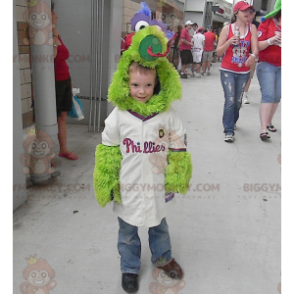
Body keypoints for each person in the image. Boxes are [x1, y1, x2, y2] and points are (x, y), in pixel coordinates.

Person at [93, 25, 193, 293]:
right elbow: (108, 149)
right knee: (127, 232)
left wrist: (178, 172)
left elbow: (179, 145)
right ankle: (129, 267)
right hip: (128, 186)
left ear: (157, 83)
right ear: (126, 83)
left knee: (159, 225)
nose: (141, 90)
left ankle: (162, 258)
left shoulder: (167, 115)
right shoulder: (118, 116)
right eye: (135, 85)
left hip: (158, 184)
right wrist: (107, 178)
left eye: (148, 85)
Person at [216, 0, 259, 143]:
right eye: (244, 11)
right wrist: (229, 42)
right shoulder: (227, 29)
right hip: (227, 69)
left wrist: (252, 56)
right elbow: (218, 52)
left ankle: (232, 120)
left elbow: (255, 48)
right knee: (230, 99)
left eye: (249, 11)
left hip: (243, 71)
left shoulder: (252, 28)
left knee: (238, 101)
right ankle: (228, 130)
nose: (248, 13)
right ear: (236, 13)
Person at [51, 2, 78, 160]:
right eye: (54, 13)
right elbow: (53, 55)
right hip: (52, 83)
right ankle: (45, 155)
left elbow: (63, 57)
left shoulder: (55, 33)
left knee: (62, 116)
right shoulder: (44, 34)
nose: (57, 16)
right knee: (48, 118)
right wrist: (53, 33)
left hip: (64, 79)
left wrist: (70, 79)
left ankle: (63, 149)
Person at [256, 0, 282, 141]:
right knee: (269, 95)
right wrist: (272, 40)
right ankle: (263, 128)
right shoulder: (267, 22)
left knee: (277, 96)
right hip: (266, 64)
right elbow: (258, 45)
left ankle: (269, 122)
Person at [242, 7, 261, 105]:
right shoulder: (240, 23)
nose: (249, 15)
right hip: (240, 53)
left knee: (249, 75)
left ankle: (244, 94)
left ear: (254, 14)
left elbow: (260, 40)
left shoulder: (258, 25)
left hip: (251, 54)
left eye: (251, 13)